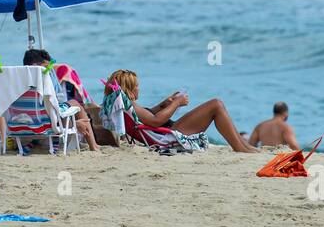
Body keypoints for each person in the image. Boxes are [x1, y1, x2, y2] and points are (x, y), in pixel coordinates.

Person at [103, 69, 258, 153]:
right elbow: (156, 121)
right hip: (166, 137)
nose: (138, 89)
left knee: (216, 105)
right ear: (129, 88)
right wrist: (176, 103)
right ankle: (240, 147)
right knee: (216, 104)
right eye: (136, 86)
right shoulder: (131, 105)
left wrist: (164, 104)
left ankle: (244, 146)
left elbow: (148, 116)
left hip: (162, 133)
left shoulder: (125, 105)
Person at [22, 48, 98, 151]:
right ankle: (93, 146)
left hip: (24, 125)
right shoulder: (44, 77)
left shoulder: (18, 82)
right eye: (47, 66)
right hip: (47, 124)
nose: (50, 70)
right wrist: (73, 123)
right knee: (74, 103)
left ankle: (78, 124)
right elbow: (55, 106)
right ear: (40, 65)